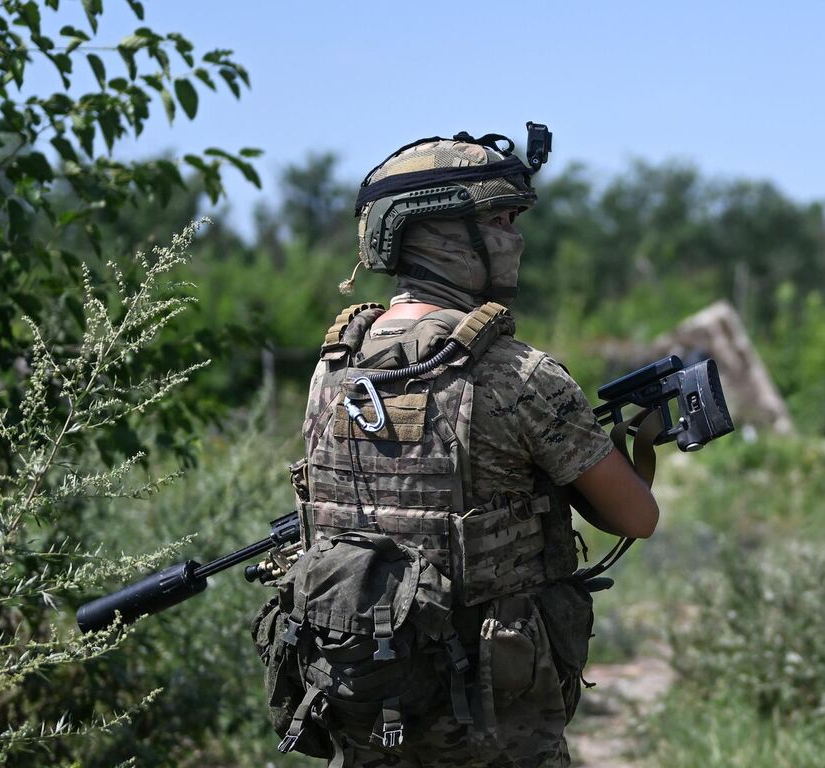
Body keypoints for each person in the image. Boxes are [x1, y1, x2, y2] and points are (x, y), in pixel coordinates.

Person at [256, 124, 660, 768]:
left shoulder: (333, 369)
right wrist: (643, 443)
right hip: (492, 720)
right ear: (439, 234)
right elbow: (636, 518)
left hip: (366, 697)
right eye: (498, 219)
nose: (515, 238)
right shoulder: (519, 374)